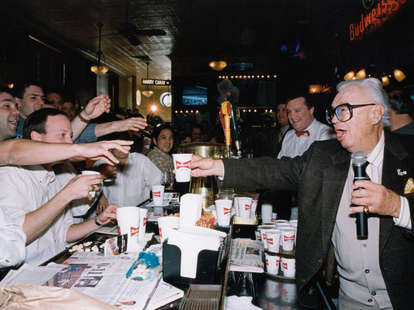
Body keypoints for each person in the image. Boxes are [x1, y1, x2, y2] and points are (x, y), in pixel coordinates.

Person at [191, 78, 413, 309]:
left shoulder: (409, 154)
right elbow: (276, 170)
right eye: (333, 113)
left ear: (375, 113)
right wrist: (217, 166)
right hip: (349, 298)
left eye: (343, 111)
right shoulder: (324, 156)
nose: (335, 119)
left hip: (402, 296)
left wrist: (398, 207)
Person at [0, 108, 119, 265]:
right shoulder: (11, 175)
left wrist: (99, 221)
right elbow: (13, 238)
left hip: (56, 263)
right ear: (36, 138)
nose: (69, 143)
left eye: (70, 136)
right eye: (62, 135)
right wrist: (66, 195)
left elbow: (64, 233)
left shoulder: (52, 175)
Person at [95, 134, 162, 209]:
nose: (122, 149)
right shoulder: (101, 163)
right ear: (110, 148)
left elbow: (158, 183)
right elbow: (90, 185)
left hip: (137, 213)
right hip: (111, 214)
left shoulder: (141, 161)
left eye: (125, 145)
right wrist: (100, 196)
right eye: (118, 146)